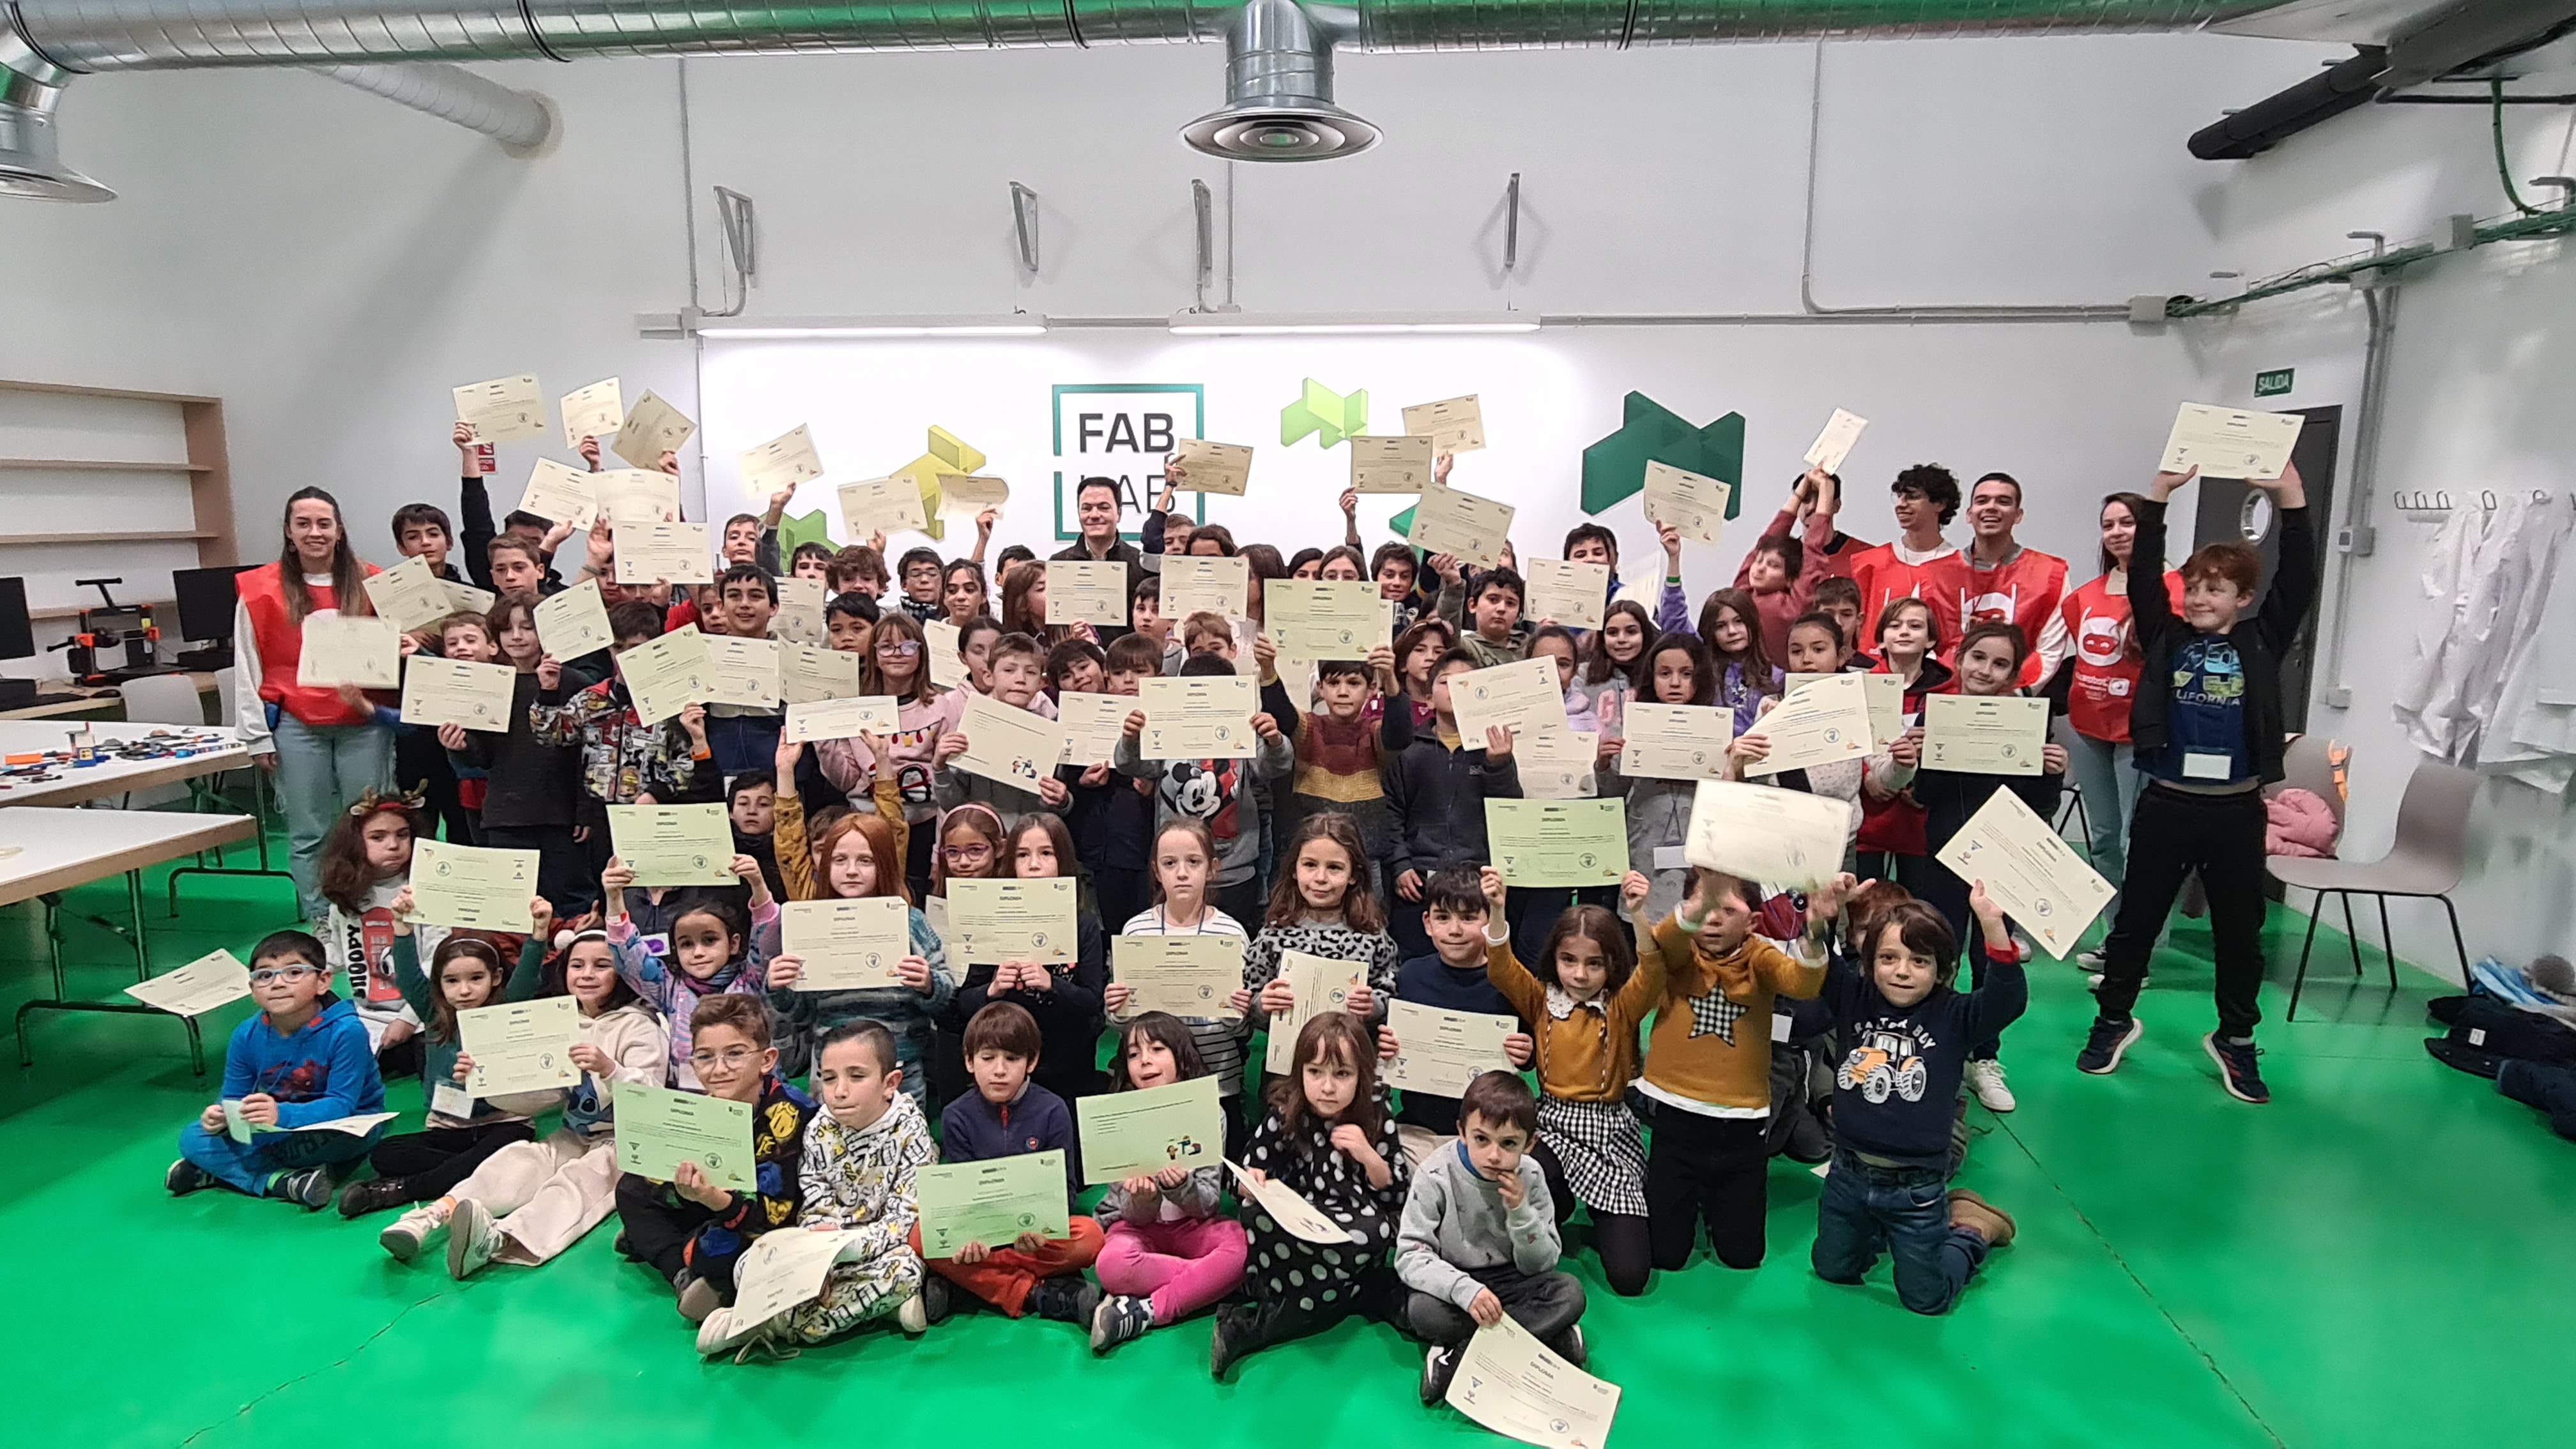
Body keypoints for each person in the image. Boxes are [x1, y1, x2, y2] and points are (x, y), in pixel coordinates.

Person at [2080, 461, 2316, 1106]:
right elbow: (2148, 572)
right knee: (2135, 923)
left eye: (2217, 590)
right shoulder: (2165, 635)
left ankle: (2236, 1039)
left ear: (2243, 598)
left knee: (2239, 932)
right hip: (2167, 805)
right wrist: (2158, 494)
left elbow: (2299, 579)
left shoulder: (2261, 639)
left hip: (2236, 811)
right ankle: (2113, 1019)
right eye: (2195, 588)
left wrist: (2290, 499)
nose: (2201, 599)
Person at [1813, 884, 2025, 1314]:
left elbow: (2008, 999)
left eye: (1919, 961)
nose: (1903, 971)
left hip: (1917, 1190)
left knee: (1926, 1299)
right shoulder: (1854, 997)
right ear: (1869, 964)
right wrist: (1821, 919)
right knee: (1831, 1268)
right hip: (1848, 1175)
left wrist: (1991, 925)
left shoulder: (1955, 1015)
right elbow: (1820, 964)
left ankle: (1969, 1228)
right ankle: (1879, 1233)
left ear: (1942, 970)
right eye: (1889, 959)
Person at [1896, 621, 2067, 1114]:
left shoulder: (2029, 719)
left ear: (2015, 673)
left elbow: (2040, 806)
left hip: (2004, 854)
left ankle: (1985, 1057)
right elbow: (1924, 795)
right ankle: (1933, 1047)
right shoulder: (1938, 712)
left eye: (2000, 664)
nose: (1985, 671)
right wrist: (1923, 755)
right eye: (1978, 658)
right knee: (1939, 947)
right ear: (1959, 658)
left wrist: (2050, 772)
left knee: (1991, 954)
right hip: (1946, 850)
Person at [694, 1021, 940, 1358]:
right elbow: (816, 1200)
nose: (839, 1091)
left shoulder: (912, 1131)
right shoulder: (820, 1128)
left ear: (890, 1083)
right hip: (825, 1246)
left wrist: (848, 1250)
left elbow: (904, 1218)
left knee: (906, 1271)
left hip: (880, 1249)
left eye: (856, 1077)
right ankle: (880, 1310)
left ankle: (762, 1324)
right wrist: (818, 1255)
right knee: (750, 1263)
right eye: (829, 1078)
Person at [437, 927, 670, 1279]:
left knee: (578, 1183)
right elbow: (539, 1098)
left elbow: (651, 1101)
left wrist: (610, 1069)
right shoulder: (556, 1022)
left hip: (626, 1140)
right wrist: (484, 1079)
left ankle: (501, 1240)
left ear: (622, 972)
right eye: (577, 966)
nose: (587, 974)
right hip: (572, 1131)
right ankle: (438, 1212)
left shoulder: (639, 1025)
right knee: (520, 1158)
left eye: (601, 965)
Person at [1636, 868, 1831, 1276]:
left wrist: (1814, 932)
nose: (1713, 918)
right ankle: (1686, 1198)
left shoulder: (1760, 956)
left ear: (1754, 922)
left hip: (1741, 1124)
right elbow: (1666, 938)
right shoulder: (1678, 952)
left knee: (1742, 1257)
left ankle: (1712, 1201)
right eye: (1704, 907)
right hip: (1676, 1118)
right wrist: (1696, 903)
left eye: (1727, 909)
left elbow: (1803, 984)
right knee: (1666, 1256)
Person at [1482, 870, 1662, 1296]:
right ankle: (1552, 1211)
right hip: (1551, 1127)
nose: (1580, 975)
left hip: (1610, 1131)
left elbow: (1653, 971)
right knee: (1533, 1186)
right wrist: (1496, 907)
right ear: (1555, 960)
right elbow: (1501, 966)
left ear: (1612, 964)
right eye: (1569, 960)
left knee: (1630, 1277)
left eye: (1594, 963)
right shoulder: (1543, 998)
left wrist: (1638, 913)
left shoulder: (1622, 1005)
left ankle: (1606, 1221)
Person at [1210, 1013, 1409, 1379]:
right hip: (1300, 1216)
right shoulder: (1286, 1109)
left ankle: (1264, 1321)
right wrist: (1251, 1181)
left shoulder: (1376, 1110)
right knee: (1254, 1216)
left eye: (1342, 1075)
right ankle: (1356, 1292)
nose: (1327, 1087)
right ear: (1300, 1072)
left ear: (1361, 1075)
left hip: (1353, 1221)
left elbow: (1396, 1193)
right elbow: (1243, 1175)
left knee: (1375, 1233)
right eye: (1315, 1072)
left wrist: (1368, 1154)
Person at [337, 896, 557, 1221]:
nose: (464, 990)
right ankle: (472, 1173)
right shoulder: (433, 1014)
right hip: (448, 1127)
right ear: (439, 984)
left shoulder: (503, 1011)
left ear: (495, 978)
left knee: (506, 1147)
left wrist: (539, 934)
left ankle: (400, 1190)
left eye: (475, 979)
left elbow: (525, 976)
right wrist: (401, 928)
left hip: (502, 1125)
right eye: (452, 981)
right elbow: (410, 976)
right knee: (385, 1153)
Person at [235, 486, 394, 924]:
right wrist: (255, 736)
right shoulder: (259, 589)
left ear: (339, 531)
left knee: (370, 826)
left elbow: (407, 646)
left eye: (324, 523)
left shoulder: (374, 583)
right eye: (303, 523)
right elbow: (246, 664)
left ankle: (371, 913)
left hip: (364, 721)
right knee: (309, 831)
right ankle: (322, 920)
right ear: (288, 533)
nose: (314, 532)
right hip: (297, 724)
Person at [612, 993, 815, 1324]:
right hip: (717, 1200)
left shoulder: (789, 1115)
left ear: (767, 1060)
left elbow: (777, 1214)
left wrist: (715, 1200)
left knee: (721, 1253)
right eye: (705, 1057)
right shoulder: (705, 1106)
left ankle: (663, 1245)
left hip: (766, 1215)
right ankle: (679, 1268)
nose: (719, 1069)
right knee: (631, 1189)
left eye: (735, 1054)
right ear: (693, 1065)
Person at [763, 755, 953, 1103]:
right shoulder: (810, 924)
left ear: (883, 865)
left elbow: (945, 995)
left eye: (865, 861)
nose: (851, 870)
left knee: (904, 1150)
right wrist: (780, 988)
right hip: (832, 1070)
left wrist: (928, 984)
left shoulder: (909, 921)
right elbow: (802, 1012)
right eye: (840, 860)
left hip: (899, 1066)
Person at [1401, 1071, 1589, 1405]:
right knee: (1421, 1309)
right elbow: (1410, 1255)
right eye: (1481, 1139)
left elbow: (1543, 1263)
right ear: (1461, 1132)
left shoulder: (1531, 1175)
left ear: (1529, 1143)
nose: (1493, 1155)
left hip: (1515, 1278)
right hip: (1457, 1279)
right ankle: (1546, 1340)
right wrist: (1463, 1289)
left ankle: (1457, 1357)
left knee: (1570, 1293)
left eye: (1509, 1144)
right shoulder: (1434, 1175)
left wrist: (1520, 1212)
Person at [167, 930, 387, 1208]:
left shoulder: (347, 1031)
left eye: (294, 972)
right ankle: (281, 1182)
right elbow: (233, 1096)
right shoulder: (245, 1034)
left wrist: (280, 1114)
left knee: (340, 1142)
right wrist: (220, 1114)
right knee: (193, 1137)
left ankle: (223, 1172)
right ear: (252, 989)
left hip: (343, 1123)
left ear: (323, 981)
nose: (278, 984)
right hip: (275, 1127)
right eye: (264, 975)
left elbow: (341, 1105)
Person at [916, 1002, 1107, 1324]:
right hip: (983, 1236)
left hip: (1034, 1234)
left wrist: (1040, 1229)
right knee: (920, 1236)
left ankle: (969, 1285)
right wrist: (972, 1238)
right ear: (968, 1061)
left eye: (1012, 1059)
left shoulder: (1053, 1110)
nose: (999, 1070)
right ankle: (1036, 1294)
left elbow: (1066, 1190)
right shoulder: (956, 1115)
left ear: (1031, 1062)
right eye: (988, 1059)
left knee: (1091, 1236)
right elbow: (961, 1194)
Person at [2054, 490, 2183, 956]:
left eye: (2127, 523)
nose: (2117, 533)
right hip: (2090, 728)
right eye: (2109, 525)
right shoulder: (2084, 595)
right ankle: (2115, 937)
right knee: (2105, 839)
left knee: (2139, 841)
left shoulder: (2175, 588)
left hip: (2142, 733)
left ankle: (2142, 941)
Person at [1087, 1012, 1252, 1353]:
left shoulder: (1210, 1113)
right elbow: (1129, 1216)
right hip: (1137, 1230)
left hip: (1192, 1226)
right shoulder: (1117, 1118)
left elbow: (1208, 1204)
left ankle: (1146, 1311)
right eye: (1133, 1055)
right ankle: (1210, 1281)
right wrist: (1144, 1199)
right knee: (1110, 1265)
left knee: (1242, 1246)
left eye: (1157, 1049)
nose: (1145, 1061)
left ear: (1182, 1057)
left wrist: (1180, 1188)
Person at [527, 601, 716, 872]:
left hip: (654, 810)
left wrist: (658, 793)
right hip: (602, 814)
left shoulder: (675, 701)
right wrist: (548, 692)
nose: (625, 658)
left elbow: (687, 759)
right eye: (618, 648)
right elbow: (553, 736)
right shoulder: (593, 698)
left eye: (636, 649)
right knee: (607, 884)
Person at [1112, 654, 1296, 927]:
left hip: (1234, 873)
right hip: (1177, 872)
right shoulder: (1165, 727)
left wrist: (1274, 740)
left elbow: (1275, 766)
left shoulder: (1243, 729)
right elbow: (1130, 765)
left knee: (1234, 949)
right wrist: (1130, 739)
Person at [1108, 819, 1255, 1143]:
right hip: (1151, 1089)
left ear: (1212, 868)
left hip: (1218, 1082)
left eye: (1194, 862)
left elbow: (1242, 1031)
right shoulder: (1136, 932)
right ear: (1157, 872)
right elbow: (1124, 1026)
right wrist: (1117, 1010)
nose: (1183, 873)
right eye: (1170, 863)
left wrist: (1238, 1014)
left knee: (1211, 1185)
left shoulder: (1231, 935)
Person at [948, 814, 1108, 1103]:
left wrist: (1053, 985)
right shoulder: (994, 921)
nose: (1034, 865)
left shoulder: (1083, 924)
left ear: (1064, 861)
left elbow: (1093, 1002)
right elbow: (964, 1001)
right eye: (1023, 855)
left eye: (1046, 853)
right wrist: (993, 989)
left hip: (1068, 1069)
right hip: (1006, 1068)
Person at [1384, 868, 1535, 1169]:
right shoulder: (1410, 976)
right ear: (1427, 923)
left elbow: (1532, 1055)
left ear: (1491, 921)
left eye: (1468, 918)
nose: (1454, 930)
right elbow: (1390, 1047)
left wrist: (1526, 1051)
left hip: (1489, 1132)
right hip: (1419, 1128)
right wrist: (1385, 1045)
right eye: (1443, 917)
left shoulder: (1511, 982)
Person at [1384, 649, 1522, 960]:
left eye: (1468, 684)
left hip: (1478, 878)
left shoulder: (1495, 750)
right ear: (1429, 698)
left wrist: (1498, 766)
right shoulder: (1409, 752)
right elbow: (1392, 813)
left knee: (1479, 962)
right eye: (1447, 682)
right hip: (1418, 880)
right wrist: (1401, 865)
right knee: (1414, 961)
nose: (1457, 690)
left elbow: (1510, 813)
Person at [457, 594, 587, 916]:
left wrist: (586, 812)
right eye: (507, 629)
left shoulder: (575, 683)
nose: (516, 637)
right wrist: (458, 745)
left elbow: (588, 755)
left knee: (568, 905)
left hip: (561, 815)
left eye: (527, 628)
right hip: (506, 815)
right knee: (512, 910)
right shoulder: (491, 684)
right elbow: (483, 756)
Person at [1243, 813, 1400, 1073]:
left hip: (1350, 1070)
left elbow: (1393, 993)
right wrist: (1263, 1004)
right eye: (1310, 865)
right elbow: (1248, 999)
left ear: (1354, 875)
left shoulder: (1372, 936)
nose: (1320, 878)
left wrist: (1375, 1006)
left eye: (1335, 868)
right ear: (1294, 869)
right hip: (1288, 1071)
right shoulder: (1274, 935)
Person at [604, 856, 778, 1090]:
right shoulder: (669, 988)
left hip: (751, 1095)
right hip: (692, 1099)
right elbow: (629, 955)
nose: (698, 952)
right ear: (675, 949)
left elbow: (767, 937)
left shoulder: (752, 978)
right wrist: (614, 897)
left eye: (709, 941)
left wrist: (757, 884)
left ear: (734, 943)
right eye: (687, 944)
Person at [316, 790, 433, 1062]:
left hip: (422, 1015)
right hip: (366, 1015)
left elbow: (437, 962)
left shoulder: (424, 890)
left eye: (402, 835)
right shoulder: (347, 893)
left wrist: (408, 1019)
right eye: (378, 837)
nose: (393, 845)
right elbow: (336, 954)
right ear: (356, 843)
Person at [1285, 647, 1409, 892]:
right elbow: (1282, 714)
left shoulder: (1374, 731)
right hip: (1311, 857)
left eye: (1354, 683)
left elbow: (1399, 736)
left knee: (1367, 923)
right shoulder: (1308, 727)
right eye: (1334, 683)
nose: (1343, 692)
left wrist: (1391, 681)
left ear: (1371, 689)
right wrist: (1268, 670)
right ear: (1320, 688)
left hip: (1366, 857)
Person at [1855, 597, 1952, 895]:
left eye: (1915, 626)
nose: (1904, 632)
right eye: (1894, 626)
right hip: (1869, 813)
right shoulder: (1860, 685)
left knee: (1917, 905)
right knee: (1865, 904)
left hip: (1920, 819)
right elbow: (1848, 739)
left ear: (1931, 639)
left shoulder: (1950, 693)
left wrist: (1923, 786)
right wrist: (1866, 776)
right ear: (1881, 638)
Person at [935, 631, 1073, 820]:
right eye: (1009, 670)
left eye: (1031, 672)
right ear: (989, 677)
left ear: (1042, 683)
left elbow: (1058, 804)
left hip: (1031, 840)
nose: (1020, 679)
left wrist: (1063, 800)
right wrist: (940, 767)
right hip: (984, 839)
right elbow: (951, 803)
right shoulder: (971, 728)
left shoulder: (1050, 736)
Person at [1957, 471, 2070, 689]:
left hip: (2017, 702)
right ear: (1969, 514)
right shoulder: (1939, 572)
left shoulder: (2050, 574)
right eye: (1982, 501)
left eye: (2003, 502)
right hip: (1949, 698)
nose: (1991, 507)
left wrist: (2015, 696)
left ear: (2018, 515)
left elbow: (2050, 651)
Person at [1845, 463, 1970, 655]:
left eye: (1912, 497)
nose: (1901, 504)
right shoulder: (1869, 564)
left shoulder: (1962, 569)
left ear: (1940, 504)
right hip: (1875, 674)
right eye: (1900, 497)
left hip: (1938, 679)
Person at [1732, 469, 1841, 663]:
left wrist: (1825, 495)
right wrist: (1799, 494)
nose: (1760, 568)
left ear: (1791, 579)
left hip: (1780, 687)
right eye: (1759, 561)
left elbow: (1812, 553)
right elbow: (1768, 539)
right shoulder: (1742, 595)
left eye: (1773, 565)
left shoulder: (1793, 607)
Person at [1050, 477, 1148, 642]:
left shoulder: (1140, 563)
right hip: (1075, 658)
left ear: (1119, 514)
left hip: (1127, 661)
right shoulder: (1059, 564)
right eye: (1087, 509)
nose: (1094, 515)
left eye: (1104, 508)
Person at [1694, 586, 1783, 735]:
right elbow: (1676, 621)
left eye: (1739, 621)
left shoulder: (1775, 676)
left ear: (1752, 623)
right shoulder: (1705, 672)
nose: (1732, 631)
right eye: (1721, 626)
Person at [1440, 566, 1528, 670]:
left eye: (1510, 603)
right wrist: (1455, 586)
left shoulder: (1530, 647)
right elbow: (1449, 623)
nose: (1502, 609)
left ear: (1519, 613)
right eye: (1493, 600)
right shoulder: (1465, 648)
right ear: (1473, 605)